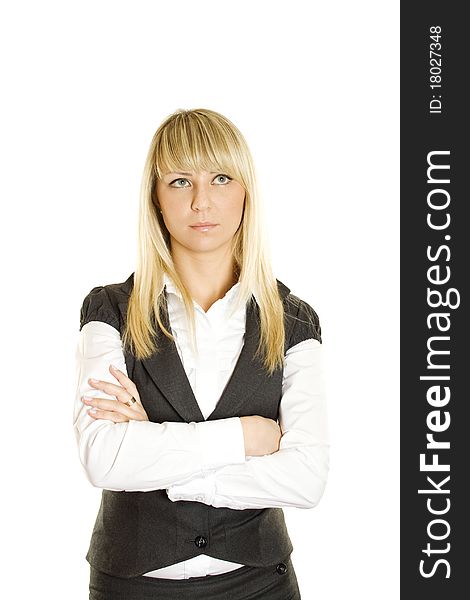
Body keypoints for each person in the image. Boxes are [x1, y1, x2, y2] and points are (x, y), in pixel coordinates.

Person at [73, 107, 329, 600]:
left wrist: (152, 444)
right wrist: (244, 437)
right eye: (179, 182)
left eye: (219, 178)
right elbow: (103, 460)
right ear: (156, 197)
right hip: (132, 587)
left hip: (261, 586)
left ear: (245, 192)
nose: (201, 202)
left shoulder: (294, 320)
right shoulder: (109, 311)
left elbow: (306, 478)